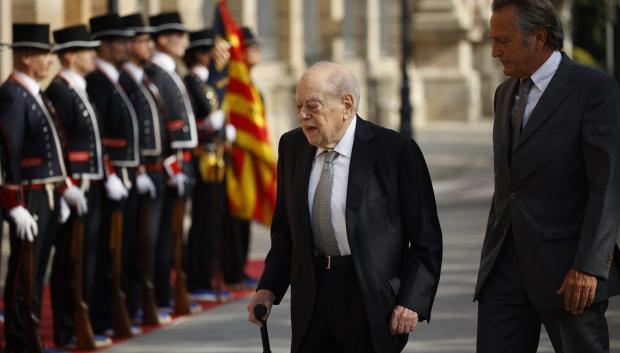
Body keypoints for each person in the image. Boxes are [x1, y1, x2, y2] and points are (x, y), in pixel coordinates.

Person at [247, 62, 443, 353]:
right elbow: (286, 233)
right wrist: (268, 288)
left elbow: (426, 239)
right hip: (312, 298)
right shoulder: (292, 147)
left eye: (312, 106)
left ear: (347, 105)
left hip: (368, 299)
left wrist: (411, 301)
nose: (302, 115)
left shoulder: (396, 152)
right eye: (298, 105)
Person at [475, 1, 620, 352]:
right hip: (504, 272)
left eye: (503, 41)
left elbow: (608, 186)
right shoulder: (503, 93)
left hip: (569, 275)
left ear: (538, 37)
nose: (494, 52)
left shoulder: (594, 90)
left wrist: (589, 267)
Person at [0, 23, 88, 353]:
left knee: (37, 274)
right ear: (26, 57)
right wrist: (13, 203)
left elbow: (55, 149)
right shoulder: (12, 94)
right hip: (30, 195)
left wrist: (64, 188)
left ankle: (30, 339)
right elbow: (11, 151)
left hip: (47, 193)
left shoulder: (33, 93)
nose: (50, 60)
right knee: (24, 275)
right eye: (44, 54)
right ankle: (20, 343)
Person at [45, 24, 112, 349]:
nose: (94, 55)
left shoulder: (76, 88)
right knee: (70, 262)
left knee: (86, 258)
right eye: (87, 50)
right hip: (76, 189)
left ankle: (76, 325)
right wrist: (65, 188)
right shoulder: (60, 90)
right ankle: (66, 329)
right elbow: (59, 145)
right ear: (70, 55)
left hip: (91, 185)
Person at [86, 13, 140, 337]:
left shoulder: (115, 80)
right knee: (106, 252)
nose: (125, 47)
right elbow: (99, 136)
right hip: (110, 180)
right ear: (103, 47)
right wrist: (109, 175)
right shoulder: (97, 81)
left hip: (124, 176)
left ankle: (113, 312)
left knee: (123, 249)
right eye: (118, 42)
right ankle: (100, 315)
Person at [119, 12, 172, 325]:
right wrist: (138, 169)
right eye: (140, 40)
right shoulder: (125, 80)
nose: (147, 45)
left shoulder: (143, 78)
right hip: (138, 172)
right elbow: (128, 130)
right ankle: (133, 303)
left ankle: (148, 299)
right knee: (137, 243)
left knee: (154, 241)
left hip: (155, 169)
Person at [146, 11, 197, 312]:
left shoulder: (170, 71)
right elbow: (162, 128)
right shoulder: (157, 73)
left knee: (173, 235)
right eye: (177, 36)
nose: (183, 42)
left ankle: (165, 295)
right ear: (163, 39)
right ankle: (159, 296)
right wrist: (173, 168)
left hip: (181, 165)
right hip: (168, 167)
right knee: (159, 239)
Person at [183, 28, 233, 301]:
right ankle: (198, 277)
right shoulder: (191, 81)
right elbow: (198, 117)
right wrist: (209, 127)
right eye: (209, 52)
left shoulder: (206, 82)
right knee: (202, 222)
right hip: (202, 159)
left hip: (215, 160)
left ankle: (207, 275)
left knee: (213, 222)